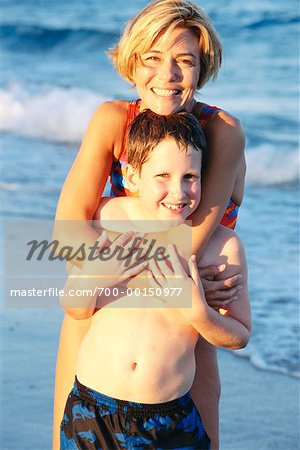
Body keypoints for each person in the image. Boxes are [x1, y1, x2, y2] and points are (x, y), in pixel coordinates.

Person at [53, 1, 246, 448]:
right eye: (152, 58)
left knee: (202, 424)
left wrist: (125, 266)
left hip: (182, 307)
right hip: (113, 295)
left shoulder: (221, 131)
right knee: (68, 416)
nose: (168, 75)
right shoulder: (113, 121)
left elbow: (191, 239)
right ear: (131, 63)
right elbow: (68, 232)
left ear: (203, 67)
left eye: (184, 61)